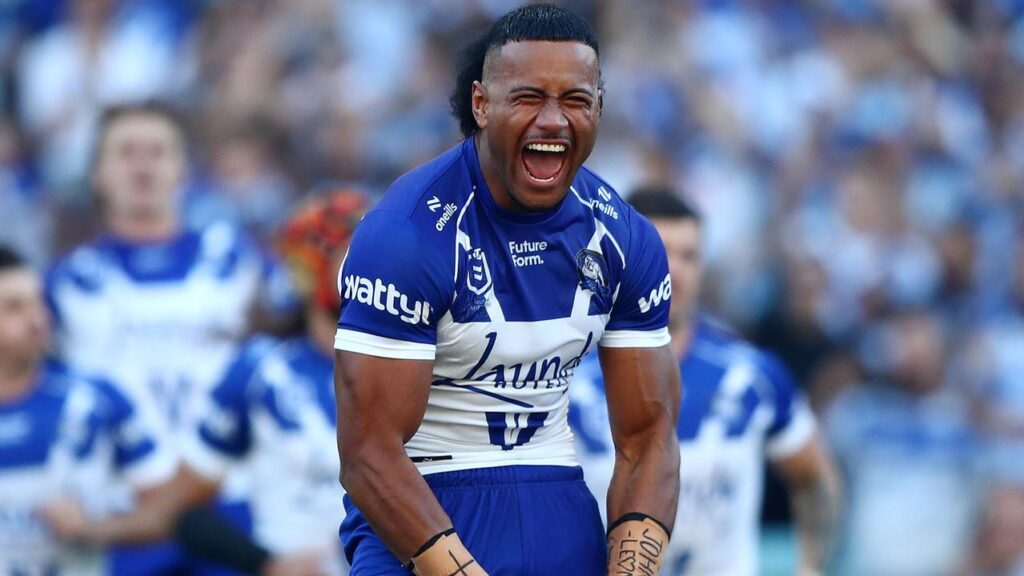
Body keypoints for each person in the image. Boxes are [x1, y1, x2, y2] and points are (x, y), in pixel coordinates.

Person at [333, 5, 681, 575]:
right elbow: (369, 454)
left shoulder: (624, 234)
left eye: (575, 100)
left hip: (557, 507)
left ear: (599, 107)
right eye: (528, 98)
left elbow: (649, 437)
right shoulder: (405, 235)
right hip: (423, 511)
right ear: (481, 104)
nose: (553, 121)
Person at [44, 190, 369, 576]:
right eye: (355, 252)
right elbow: (178, 508)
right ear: (310, 268)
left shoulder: (417, 364)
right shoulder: (260, 372)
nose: (379, 268)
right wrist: (88, 528)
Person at [45, 100, 291, 574]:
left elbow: (308, 328)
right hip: (120, 517)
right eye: (126, 153)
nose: (143, 166)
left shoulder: (236, 258)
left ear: (183, 168)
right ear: (97, 174)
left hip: (229, 510)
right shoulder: (67, 282)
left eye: (158, 152)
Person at [568, 188, 840, 576]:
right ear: (621, 259)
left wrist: (811, 567)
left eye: (689, 256)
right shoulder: (571, 383)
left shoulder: (749, 377)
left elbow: (814, 478)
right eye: (661, 252)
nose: (675, 270)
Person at [0, 244, 176, 575]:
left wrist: (92, 528)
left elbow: (170, 509)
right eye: (13, 308)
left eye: (38, 302)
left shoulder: (97, 398)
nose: (37, 319)